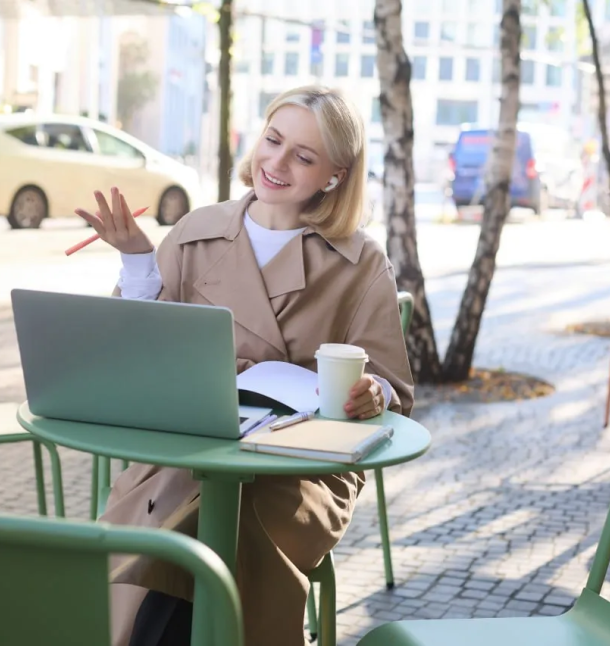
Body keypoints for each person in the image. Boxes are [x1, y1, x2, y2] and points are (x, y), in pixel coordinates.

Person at [75, 85, 414, 646]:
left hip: (297, 475)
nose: (277, 163)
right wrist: (138, 257)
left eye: (303, 157)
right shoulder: (195, 232)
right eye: (273, 140)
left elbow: (391, 384)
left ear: (334, 175)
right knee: (189, 519)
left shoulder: (361, 262)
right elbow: (138, 353)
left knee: (224, 525)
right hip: (182, 455)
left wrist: (370, 391)